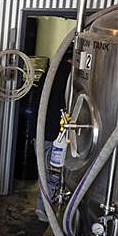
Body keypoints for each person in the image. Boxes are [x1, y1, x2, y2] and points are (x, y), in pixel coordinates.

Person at [34, 48, 73, 223]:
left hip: (41, 131)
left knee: (44, 173)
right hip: (57, 135)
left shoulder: (49, 73)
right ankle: (46, 212)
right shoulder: (69, 76)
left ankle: (42, 209)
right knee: (53, 175)